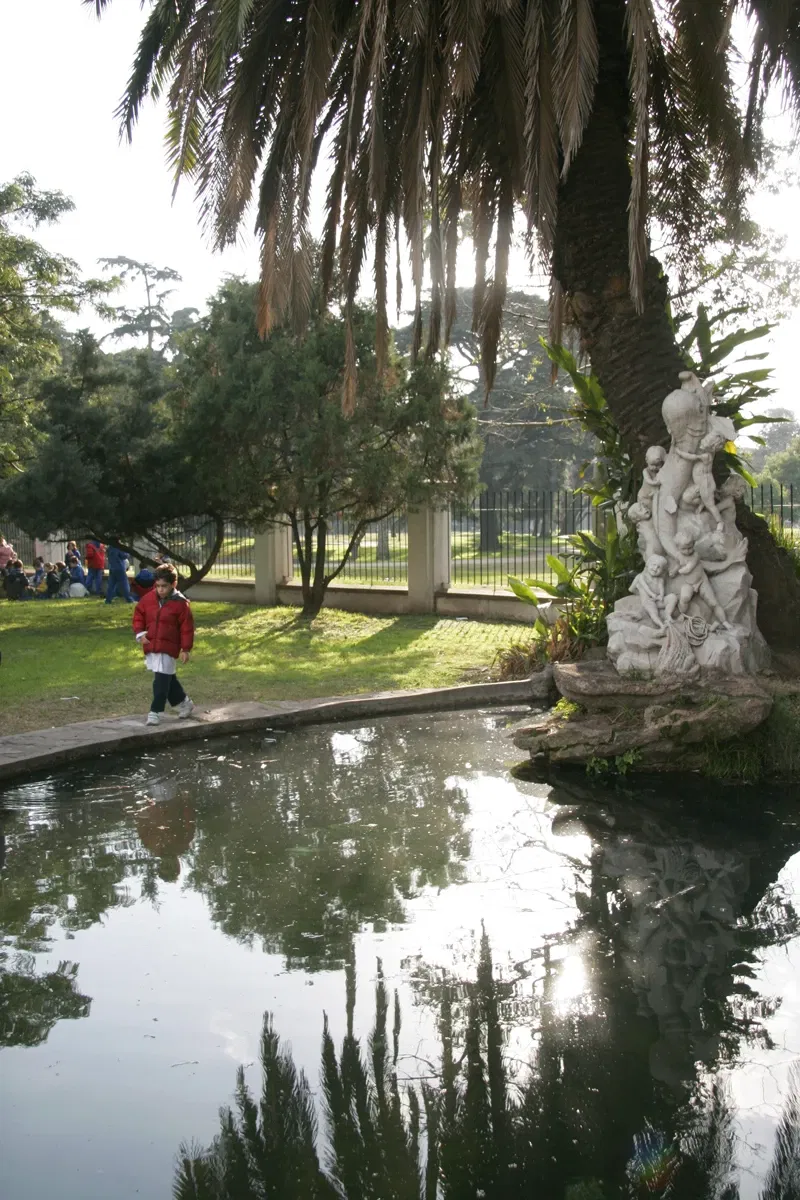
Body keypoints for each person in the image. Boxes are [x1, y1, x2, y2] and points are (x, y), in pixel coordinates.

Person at [132, 563, 195, 726]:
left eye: (164, 586)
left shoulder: (181, 604)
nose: (160, 590)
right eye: (158, 586)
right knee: (167, 678)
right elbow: (139, 615)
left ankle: (155, 711)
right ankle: (184, 703)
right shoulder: (148, 599)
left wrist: (185, 649)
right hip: (152, 644)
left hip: (168, 647)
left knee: (161, 680)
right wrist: (140, 633)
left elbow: (187, 628)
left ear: (173, 584)